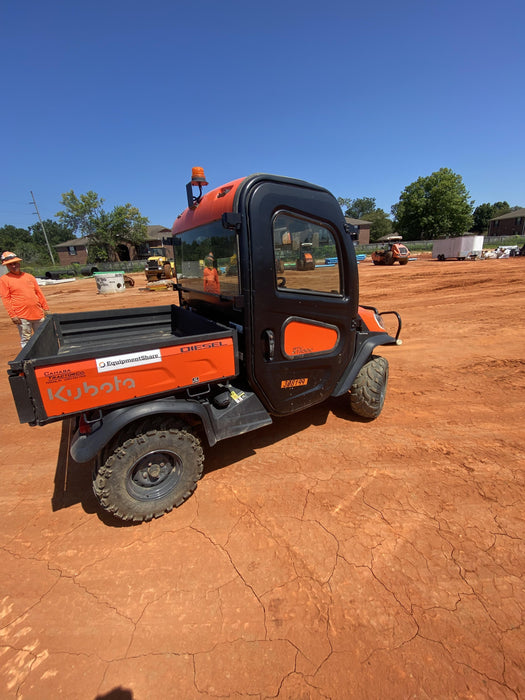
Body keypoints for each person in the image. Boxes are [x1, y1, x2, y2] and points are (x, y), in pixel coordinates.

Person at [0, 251, 50, 348]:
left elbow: (39, 293)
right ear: (7, 266)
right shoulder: (4, 280)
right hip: (22, 316)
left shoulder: (29, 277)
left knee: (42, 337)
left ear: (18, 263)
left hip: (38, 313)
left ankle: (44, 356)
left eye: (15, 263)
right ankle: (29, 359)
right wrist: (13, 315)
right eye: (10, 265)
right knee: (26, 339)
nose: (13, 266)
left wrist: (46, 308)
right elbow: (6, 298)